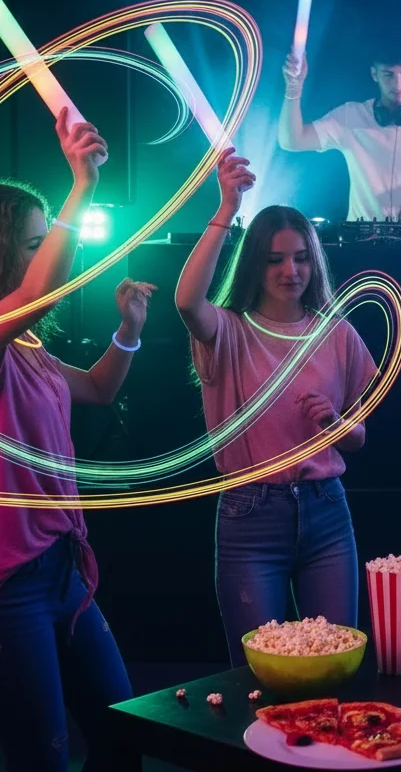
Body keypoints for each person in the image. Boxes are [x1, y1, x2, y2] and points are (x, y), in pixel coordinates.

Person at [175, 148, 378, 667]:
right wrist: (226, 208)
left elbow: (359, 440)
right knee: (258, 680)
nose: (291, 270)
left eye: (301, 257)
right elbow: (185, 301)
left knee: (333, 667)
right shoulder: (230, 330)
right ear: (255, 264)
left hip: (326, 510)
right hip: (250, 515)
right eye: (275, 259)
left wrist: (335, 424)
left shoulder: (338, 334)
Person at [0, 109, 154, 772]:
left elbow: (96, 388)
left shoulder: (28, 345)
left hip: (64, 570)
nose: (50, 256)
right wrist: (81, 185)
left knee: (123, 734)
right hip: (11, 587)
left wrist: (130, 329)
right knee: (42, 756)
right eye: (34, 244)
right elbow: (33, 296)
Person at [278, 41, 401, 223]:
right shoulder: (350, 116)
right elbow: (292, 140)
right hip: (363, 243)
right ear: (374, 74)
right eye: (388, 75)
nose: (398, 85)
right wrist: (294, 87)